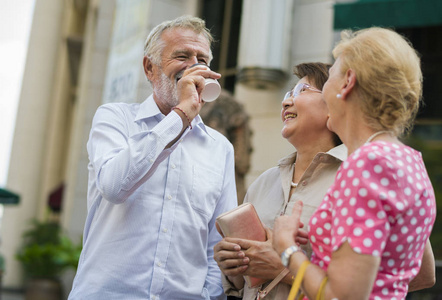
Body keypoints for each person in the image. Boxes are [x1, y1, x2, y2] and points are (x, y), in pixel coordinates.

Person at [68, 16, 237, 300]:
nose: (194, 66)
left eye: (202, 59)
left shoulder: (220, 148)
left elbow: (218, 241)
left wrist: (207, 294)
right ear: (150, 68)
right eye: (182, 56)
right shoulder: (115, 118)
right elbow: (113, 186)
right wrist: (180, 116)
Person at [273, 27, 436, 300]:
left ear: (348, 82)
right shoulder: (409, 158)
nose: (325, 90)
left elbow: (343, 295)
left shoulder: (366, 164)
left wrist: (287, 248)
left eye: (331, 74)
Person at [213, 62, 347, 300]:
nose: (286, 102)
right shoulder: (263, 183)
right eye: (288, 94)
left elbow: (385, 281)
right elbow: (243, 286)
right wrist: (234, 265)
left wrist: (285, 270)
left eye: (302, 91)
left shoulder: (356, 180)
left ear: (333, 105)